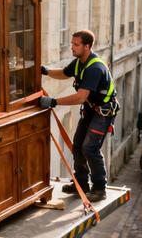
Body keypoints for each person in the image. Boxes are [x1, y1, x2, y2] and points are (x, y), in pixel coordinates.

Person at [38, 30, 119, 202]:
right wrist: (46, 71)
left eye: (76, 44)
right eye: (72, 44)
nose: (72, 47)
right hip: (91, 110)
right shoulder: (79, 63)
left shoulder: (95, 68)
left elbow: (80, 97)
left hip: (103, 113)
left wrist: (54, 101)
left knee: (89, 148)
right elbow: (64, 73)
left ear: (87, 46)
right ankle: (81, 184)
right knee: (77, 147)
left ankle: (99, 188)